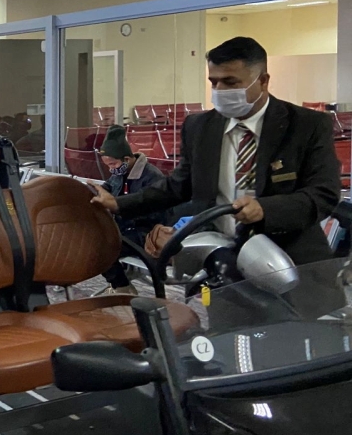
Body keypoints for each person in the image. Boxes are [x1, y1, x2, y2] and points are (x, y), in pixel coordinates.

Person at [93, 37, 341, 266]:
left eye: (231, 82)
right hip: (220, 258)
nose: (220, 90)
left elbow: (323, 193)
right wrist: (119, 203)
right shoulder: (200, 127)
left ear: (263, 81)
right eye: (214, 82)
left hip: (293, 258)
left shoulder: (307, 125)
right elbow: (178, 186)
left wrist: (266, 209)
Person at [96, 125, 168, 294]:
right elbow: (108, 187)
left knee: (102, 249)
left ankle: (122, 287)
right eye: (108, 165)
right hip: (124, 228)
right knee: (91, 240)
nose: (111, 169)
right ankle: (120, 283)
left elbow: (156, 213)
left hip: (145, 231)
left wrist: (119, 207)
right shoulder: (119, 173)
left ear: (127, 159)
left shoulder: (152, 177)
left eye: (113, 164)